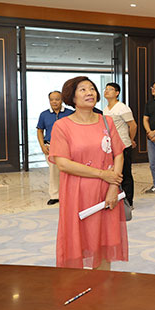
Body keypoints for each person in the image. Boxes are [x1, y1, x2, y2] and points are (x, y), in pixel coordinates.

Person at [49, 76, 127, 269]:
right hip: (78, 194)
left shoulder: (107, 121)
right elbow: (63, 164)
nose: (89, 92)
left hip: (106, 191)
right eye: (83, 89)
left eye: (92, 88)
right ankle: (79, 284)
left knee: (104, 243)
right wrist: (102, 174)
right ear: (72, 97)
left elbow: (119, 154)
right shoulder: (62, 126)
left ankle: (103, 284)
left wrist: (113, 187)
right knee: (78, 241)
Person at [36, 90, 74, 205]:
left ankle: (69, 194)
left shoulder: (70, 113)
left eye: (57, 99)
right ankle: (55, 196)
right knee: (53, 172)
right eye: (52, 100)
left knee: (69, 170)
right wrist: (42, 145)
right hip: (50, 146)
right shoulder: (44, 114)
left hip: (67, 146)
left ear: (62, 100)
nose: (54, 102)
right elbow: (40, 130)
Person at [103, 83, 137, 207]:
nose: (106, 91)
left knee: (125, 174)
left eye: (110, 89)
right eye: (105, 89)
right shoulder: (106, 109)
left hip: (123, 144)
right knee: (113, 173)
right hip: (110, 146)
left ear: (117, 93)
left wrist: (130, 140)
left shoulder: (122, 108)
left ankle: (128, 202)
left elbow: (133, 125)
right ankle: (116, 199)